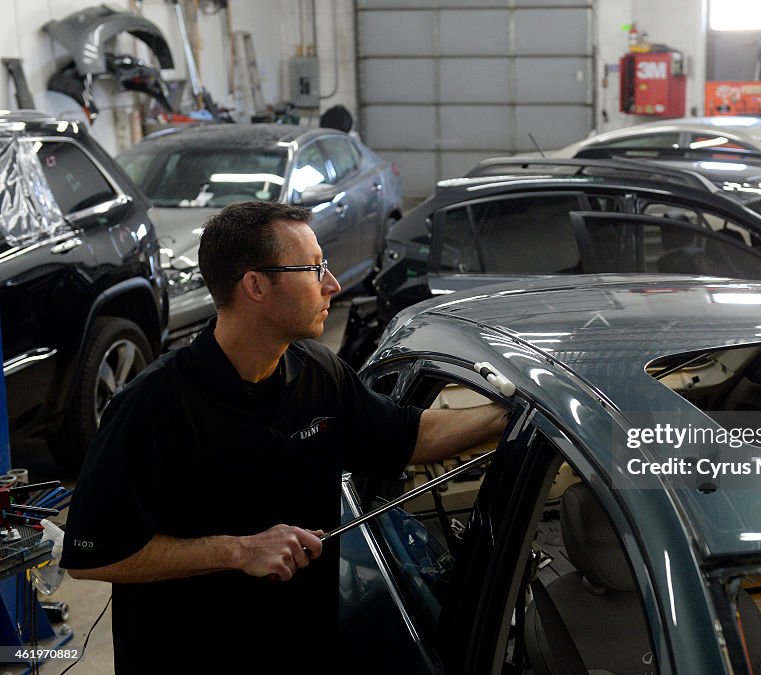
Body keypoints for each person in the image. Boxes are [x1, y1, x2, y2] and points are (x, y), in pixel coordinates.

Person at [60, 201, 508, 673]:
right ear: (255, 285)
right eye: (314, 268)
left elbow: (406, 435)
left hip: (301, 649)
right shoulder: (151, 406)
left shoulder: (320, 372)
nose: (331, 284)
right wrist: (239, 551)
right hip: (188, 656)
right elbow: (93, 557)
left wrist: (506, 415)